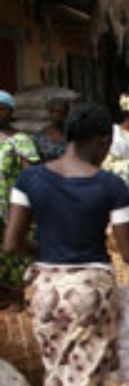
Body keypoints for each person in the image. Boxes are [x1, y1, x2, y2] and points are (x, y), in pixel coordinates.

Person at [3, 103, 129, 386]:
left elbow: (11, 244)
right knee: (90, 378)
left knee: (57, 373)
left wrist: (47, 253)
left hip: (46, 291)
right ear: (104, 140)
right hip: (90, 293)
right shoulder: (111, 186)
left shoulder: (30, 180)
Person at [0, 89, 40, 290]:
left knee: (14, 252)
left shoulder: (21, 140)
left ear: (9, 111)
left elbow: (31, 174)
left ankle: (17, 297)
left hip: (12, 206)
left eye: (2, 109)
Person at [33, 97, 70, 162]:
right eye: (53, 111)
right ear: (49, 113)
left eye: (60, 112)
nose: (56, 115)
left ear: (66, 114)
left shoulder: (73, 134)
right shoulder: (40, 136)